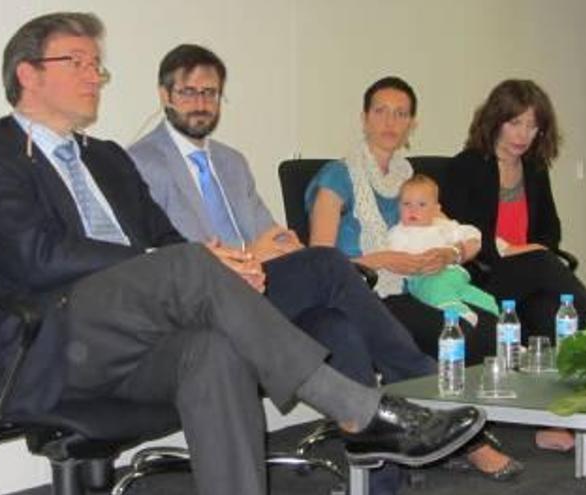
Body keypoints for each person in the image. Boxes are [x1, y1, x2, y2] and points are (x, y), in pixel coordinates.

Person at [0, 13, 485, 495]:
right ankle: (358, 409)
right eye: (79, 62)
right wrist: (188, 264)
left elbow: (168, 238)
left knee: (227, 339)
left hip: (149, 333)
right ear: (27, 73)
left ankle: (416, 393)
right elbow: (36, 257)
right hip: (51, 339)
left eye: (98, 65)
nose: (96, 76)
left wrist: (226, 269)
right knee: (189, 264)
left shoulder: (107, 159)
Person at [128, 44, 437, 492]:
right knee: (328, 264)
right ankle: (422, 381)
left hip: (258, 291)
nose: (201, 103)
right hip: (204, 304)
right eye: (189, 91)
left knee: (336, 327)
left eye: (211, 93)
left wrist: (269, 249)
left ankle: (379, 482)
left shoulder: (231, 162)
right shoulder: (141, 163)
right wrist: (251, 254)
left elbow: (276, 235)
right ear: (165, 95)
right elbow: (172, 257)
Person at [306, 76, 523, 481]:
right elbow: (320, 258)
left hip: (415, 288)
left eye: (401, 113)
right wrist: (384, 258)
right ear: (364, 118)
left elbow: (458, 232)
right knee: (449, 329)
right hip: (362, 293)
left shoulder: (411, 181)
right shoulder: (337, 177)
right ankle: (469, 445)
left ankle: (445, 436)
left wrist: (449, 252)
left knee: (488, 326)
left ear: (412, 124)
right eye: (380, 111)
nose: (390, 121)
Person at [442, 78, 586, 452]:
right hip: (481, 277)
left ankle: (552, 421)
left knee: (552, 313)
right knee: (544, 264)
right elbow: (466, 235)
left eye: (532, 126)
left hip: (525, 277)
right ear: (495, 121)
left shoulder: (534, 168)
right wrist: (524, 252)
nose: (523, 135)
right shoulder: (467, 166)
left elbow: (550, 230)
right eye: (515, 123)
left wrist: (531, 251)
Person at [387, 174, 499, 324]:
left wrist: (466, 241)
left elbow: (471, 233)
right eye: (406, 204)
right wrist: (416, 265)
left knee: (486, 299)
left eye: (422, 204)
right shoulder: (398, 232)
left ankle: (500, 324)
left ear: (436, 209)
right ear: (398, 207)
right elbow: (394, 259)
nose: (413, 210)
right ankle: (458, 313)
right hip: (425, 278)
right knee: (438, 291)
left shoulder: (443, 225)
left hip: (455, 275)